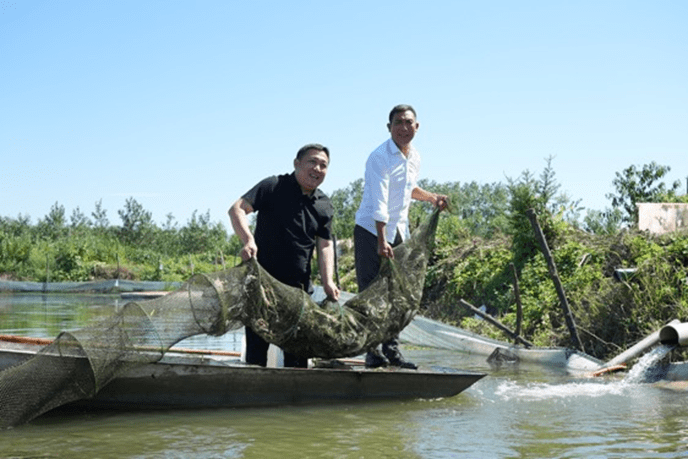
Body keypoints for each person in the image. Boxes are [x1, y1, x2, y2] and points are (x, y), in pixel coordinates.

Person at [228, 143, 340, 368]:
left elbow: (325, 244)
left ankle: (294, 399)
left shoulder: (324, 205)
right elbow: (237, 209)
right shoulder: (273, 186)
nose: (317, 169)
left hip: (298, 294)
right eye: (312, 162)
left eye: (323, 165)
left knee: (298, 360)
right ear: (297, 163)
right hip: (261, 289)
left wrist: (328, 281)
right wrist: (248, 240)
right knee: (256, 358)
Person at [354, 104, 448, 369]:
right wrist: (381, 239)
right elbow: (379, 199)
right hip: (371, 230)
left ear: (417, 127)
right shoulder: (379, 157)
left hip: (397, 230)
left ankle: (392, 351)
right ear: (389, 128)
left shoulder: (414, 156)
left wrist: (431, 197)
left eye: (409, 123)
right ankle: (372, 353)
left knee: (397, 294)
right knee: (372, 293)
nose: (404, 128)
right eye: (398, 123)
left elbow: (408, 189)